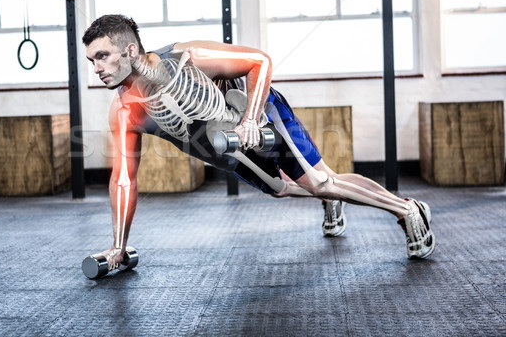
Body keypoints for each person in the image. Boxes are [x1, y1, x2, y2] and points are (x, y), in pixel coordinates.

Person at [82, 14, 435, 271]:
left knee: (320, 181)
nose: (96, 68)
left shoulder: (186, 57)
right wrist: (119, 245)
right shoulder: (126, 112)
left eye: (102, 56)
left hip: (258, 113)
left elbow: (259, 61)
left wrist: (251, 118)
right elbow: (123, 180)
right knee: (281, 189)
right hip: (225, 146)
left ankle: (407, 209)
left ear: (129, 50)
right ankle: (329, 200)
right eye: (91, 60)